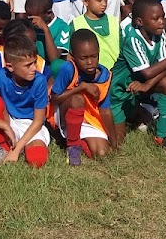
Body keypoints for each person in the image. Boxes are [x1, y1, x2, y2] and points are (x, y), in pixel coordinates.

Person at [112, 0, 166, 150]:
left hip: (139, 85)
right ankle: (132, 114)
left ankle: (162, 136)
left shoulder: (159, 34)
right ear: (139, 22)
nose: (161, 21)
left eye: (162, 16)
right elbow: (149, 72)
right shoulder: (133, 39)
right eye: (155, 18)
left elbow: (165, 67)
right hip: (118, 91)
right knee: (117, 145)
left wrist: (147, 85)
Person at [0, 34, 51, 168]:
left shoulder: (40, 80)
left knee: (37, 160)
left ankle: (15, 147)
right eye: (28, 65)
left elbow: (38, 120)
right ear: (10, 66)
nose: (34, 68)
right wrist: (5, 126)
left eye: (34, 62)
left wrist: (18, 148)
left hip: (31, 124)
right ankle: (4, 147)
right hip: (8, 120)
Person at [49, 28, 116, 166]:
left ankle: (76, 141)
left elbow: (105, 110)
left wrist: (114, 141)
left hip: (90, 119)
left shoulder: (106, 76)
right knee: (77, 99)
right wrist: (82, 87)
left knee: (102, 153)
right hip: (64, 113)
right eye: (84, 58)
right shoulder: (68, 68)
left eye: (94, 56)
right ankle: (72, 146)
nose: (90, 62)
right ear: (73, 56)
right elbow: (55, 98)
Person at [71, 0, 119, 71]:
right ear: (85, 1)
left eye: (106, 0)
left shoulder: (115, 22)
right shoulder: (76, 24)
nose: (104, 4)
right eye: (99, 0)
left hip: (115, 74)